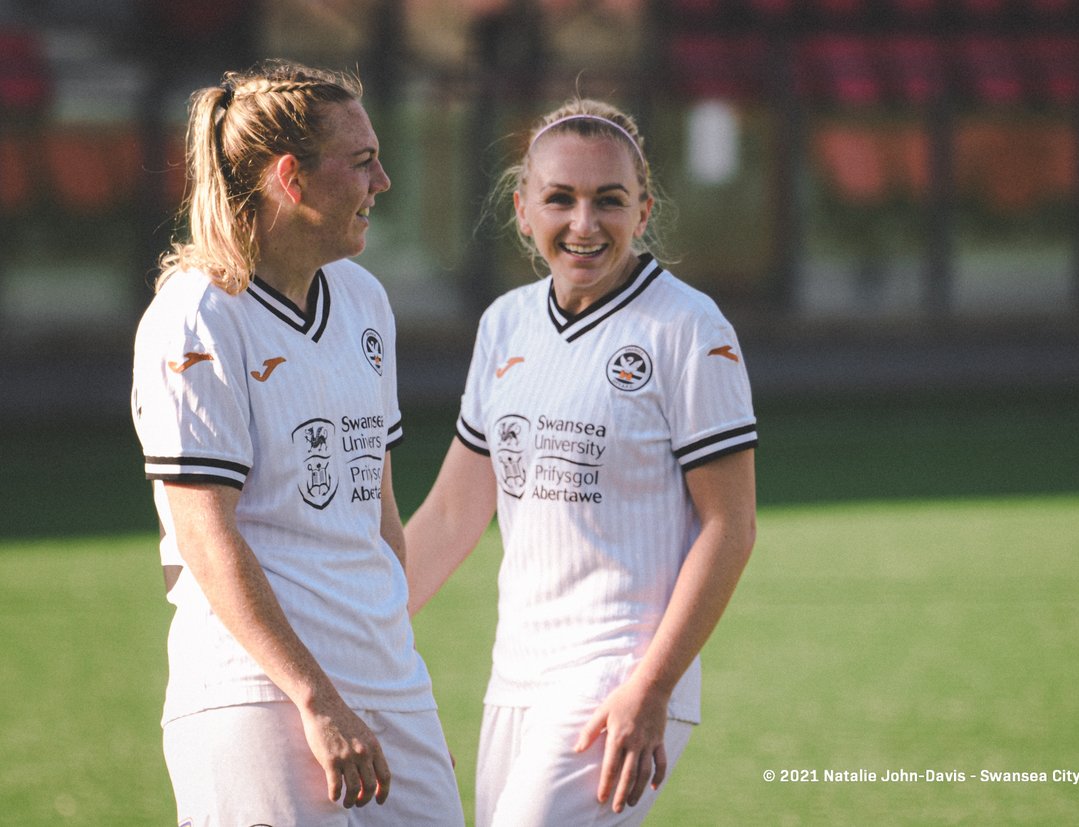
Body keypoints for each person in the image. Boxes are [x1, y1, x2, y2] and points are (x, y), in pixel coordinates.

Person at [404, 98, 758, 826]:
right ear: (523, 209)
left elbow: (730, 526)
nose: (584, 223)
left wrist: (652, 686)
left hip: (618, 675)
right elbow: (450, 514)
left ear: (644, 210)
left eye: (609, 200)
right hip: (515, 675)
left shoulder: (690, 328)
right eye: (560, 198)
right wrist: (352, 636)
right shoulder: (505, 323)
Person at [130, 60, 464, 826]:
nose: (383, 182)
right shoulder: (197, 316)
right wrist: (316, 698)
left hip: (383, 682)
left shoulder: (365, 300)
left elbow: (378, 515)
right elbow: (206, 536)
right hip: (256, 691)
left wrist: (401, 694)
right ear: (291, 176)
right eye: (362, 161)